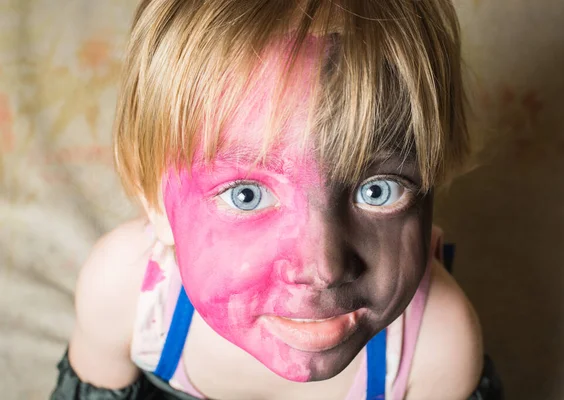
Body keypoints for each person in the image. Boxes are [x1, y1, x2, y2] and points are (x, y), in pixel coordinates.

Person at [52, 0, 492, 398]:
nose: (323, 269)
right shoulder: (122, 295)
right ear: (154, 199)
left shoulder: (438, 346)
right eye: (246, 195)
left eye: (378, 190)